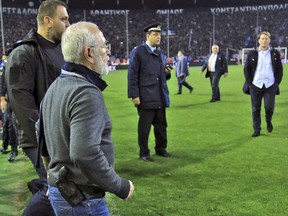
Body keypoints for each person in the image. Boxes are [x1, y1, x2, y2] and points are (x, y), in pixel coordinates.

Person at [39, 21, 134, 215]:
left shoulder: (55, 87)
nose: (107, 52)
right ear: (89, 54)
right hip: (82, 198)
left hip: (64, 191)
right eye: (104, 46)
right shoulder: (85, 92)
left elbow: (40, 135)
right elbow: (85, 153)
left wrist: (52, 174)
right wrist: (120, 186)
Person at [5, 0, 70, 182]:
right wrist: (43, 142)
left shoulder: (61, 50)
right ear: (48, 20)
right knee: (61, 191)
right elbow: (22, 104)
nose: (67, 24)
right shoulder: (24, 53)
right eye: (63, 19)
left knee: (59, 191)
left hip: (62, 134)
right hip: (44, 140)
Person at [128, 23, 172, 162]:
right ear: (148, 36)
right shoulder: (139, 51)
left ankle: (161, 149)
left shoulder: (159, 52)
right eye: (155, 34)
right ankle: (144, 153)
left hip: (159, 95)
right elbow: (132, 74)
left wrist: (166, 73)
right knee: (145, 127)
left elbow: (161, 76)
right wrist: (134, 95)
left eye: (159, 34)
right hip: (146, 95)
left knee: (161, 125)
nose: (159, 37)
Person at [244, 31, 283, 137]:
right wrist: (249, 83)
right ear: (258, 40)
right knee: (255, 108)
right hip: (255, 85)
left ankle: (268, 120)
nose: (264, 40)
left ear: (269, 40)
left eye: (266, 38)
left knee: (269, 107)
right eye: (262, 38)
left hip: (270, 85)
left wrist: (276, 84)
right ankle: (257, 129)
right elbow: (246, 68)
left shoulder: (275, 53)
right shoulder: (252, 53)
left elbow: (280, 69)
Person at [0, 52, 18, 162]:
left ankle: (14, 149)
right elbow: (2, 82)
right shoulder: (7, 65)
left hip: (17, 100)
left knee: (12, 124)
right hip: (9, 100)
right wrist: (2, 97)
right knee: (7, 123)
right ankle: (6, 145)